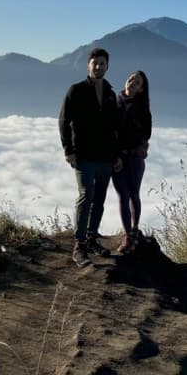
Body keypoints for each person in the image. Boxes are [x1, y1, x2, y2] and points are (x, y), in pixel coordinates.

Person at [59, 47, 123, 267]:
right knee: (86, 196)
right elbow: (63, 122)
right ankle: (79, 246)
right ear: (88, 65)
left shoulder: (109, 93)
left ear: (107, 66)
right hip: (83, 155)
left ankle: (92, 237)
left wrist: (116, 155)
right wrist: (68, 151)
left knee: (99, 200)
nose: (98, 67)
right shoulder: (75, 90)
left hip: (105, 157)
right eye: (95, 63)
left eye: (102, 64)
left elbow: (115, 127)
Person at [112, 70, 151, 255]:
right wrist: (115, 155)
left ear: (142, 89)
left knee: (134, 194)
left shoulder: (143, 108)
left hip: (134, 158)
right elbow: (109, 131)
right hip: (117, 157)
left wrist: (139, 150)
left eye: (137, 82)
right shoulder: (115, 102)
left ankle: (134, 229)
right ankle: (128, 235)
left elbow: (146, 134)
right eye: (131, 79)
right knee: (123, 195)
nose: (132, 83)